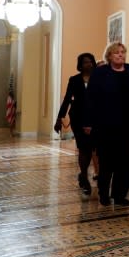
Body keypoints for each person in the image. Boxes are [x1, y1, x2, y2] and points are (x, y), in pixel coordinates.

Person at [86, 43, 129, 206]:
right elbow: (90, 99)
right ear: (109, 56)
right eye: (116, 53)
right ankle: (104, 194)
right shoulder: (100, 73)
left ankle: (120, 194)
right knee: (107, 161)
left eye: (123, 52)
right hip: (105, 125)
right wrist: (88, 122)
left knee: (125, 162)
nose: (120, 55)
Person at [55, 52, 97, 196]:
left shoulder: (98, 78)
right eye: (85, 62)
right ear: (80, 64)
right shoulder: (74, 80)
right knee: (83, 148)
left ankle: (83, 174)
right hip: (78, 118)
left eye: (90, 61)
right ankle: (84, 178)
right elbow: (67, 100)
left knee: (91, 148)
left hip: (94, 119)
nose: (89, 64)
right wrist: (59, 118)